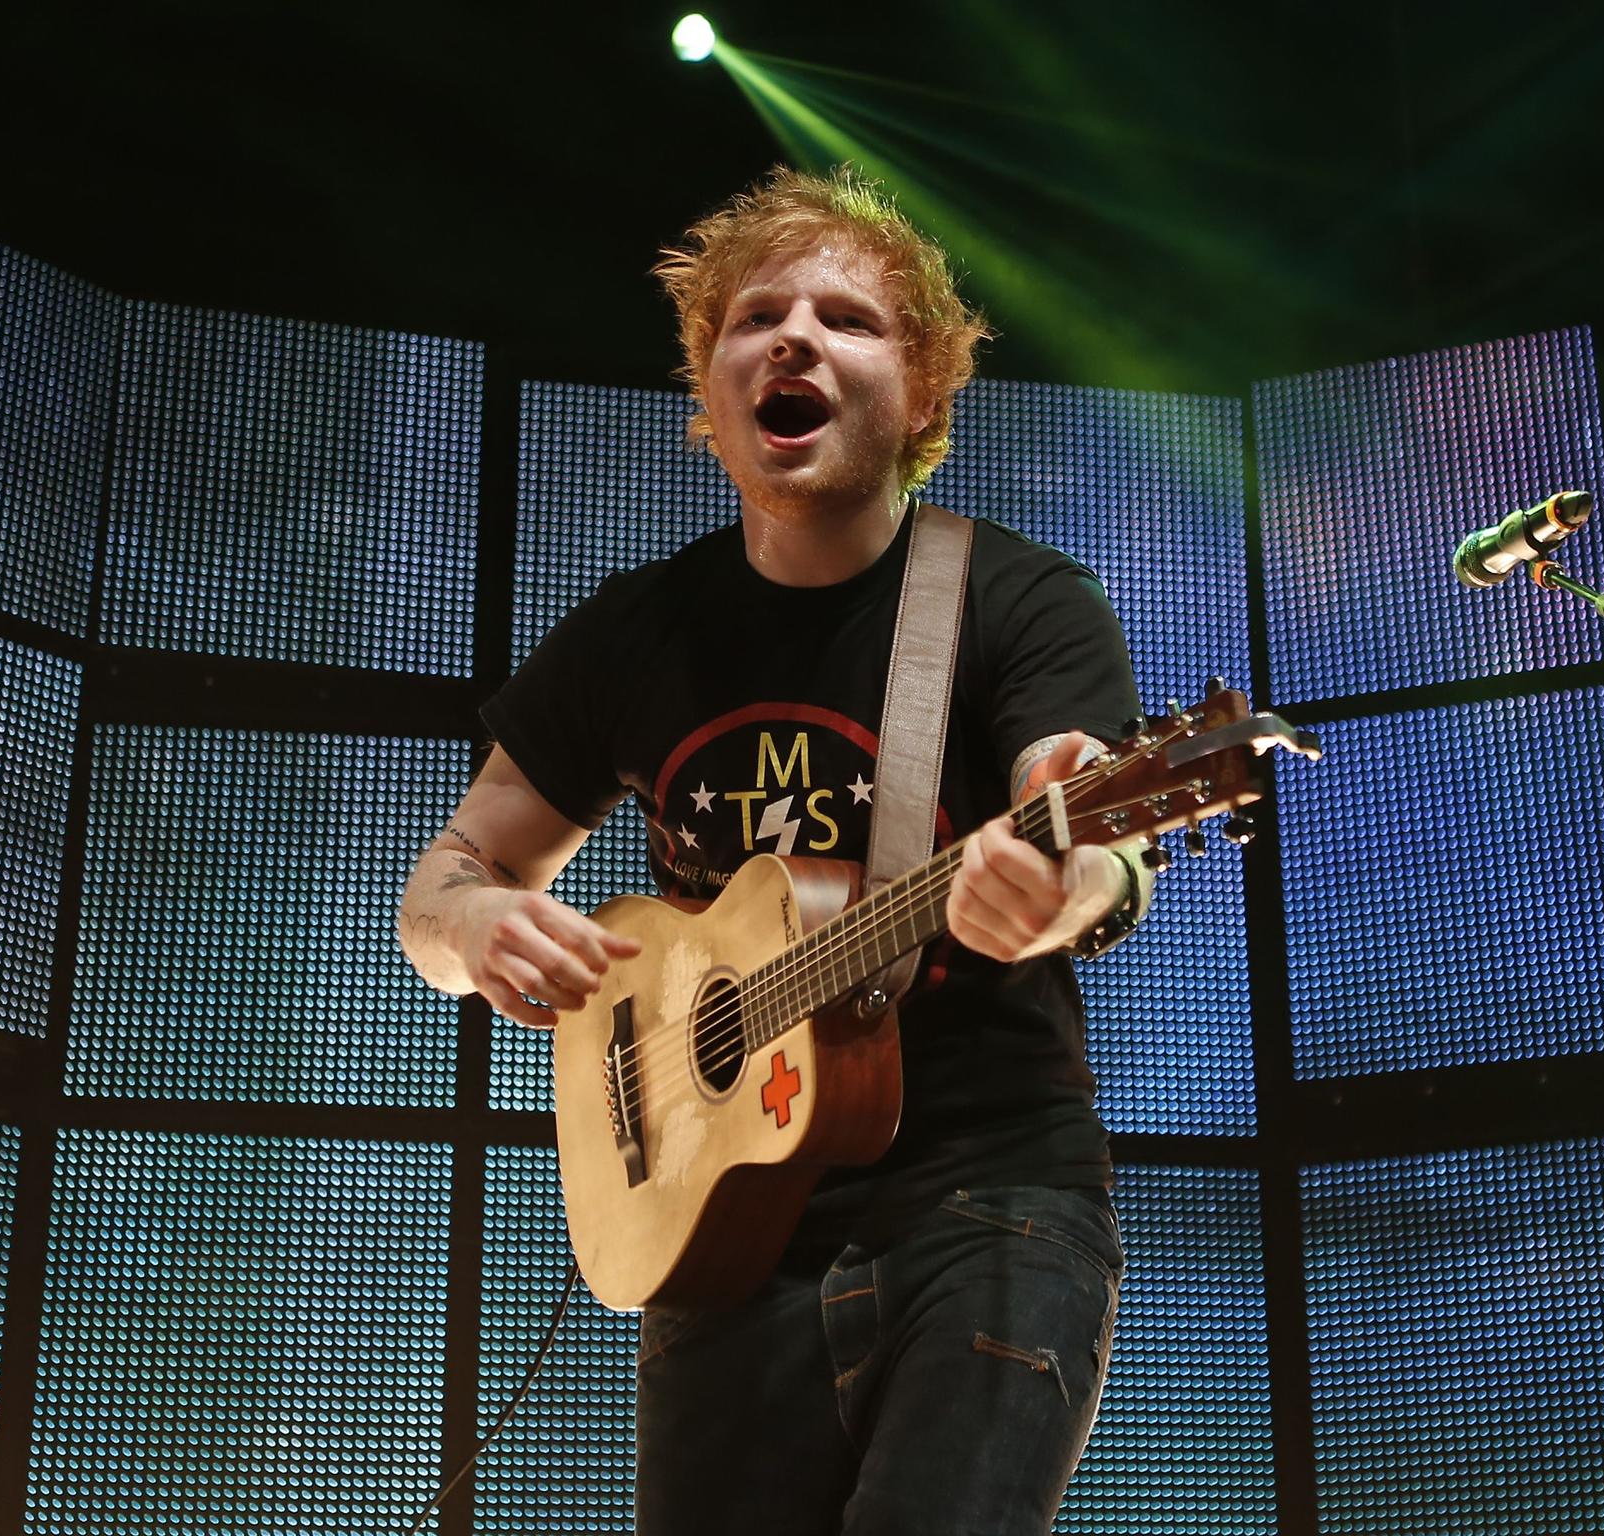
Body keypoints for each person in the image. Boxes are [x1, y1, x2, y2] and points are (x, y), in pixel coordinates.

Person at [399, 164, 1155, 1536]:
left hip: (987, 1198)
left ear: (924, 393)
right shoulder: (634, 636)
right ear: (713, 386)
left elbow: (1087, 806)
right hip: (723, 1239)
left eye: (848, 321)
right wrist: (472, 929)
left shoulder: (1013, 596)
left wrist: (1062, 888)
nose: (794, 338)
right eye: (757, 317)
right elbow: (446, 879)